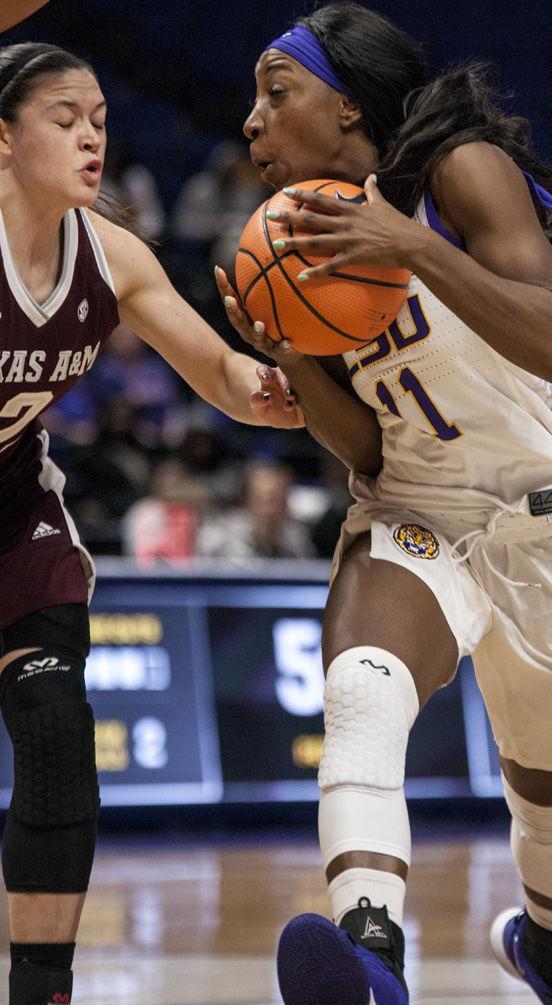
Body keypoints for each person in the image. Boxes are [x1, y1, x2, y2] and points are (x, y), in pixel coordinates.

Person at [218, 5, 552, 1004]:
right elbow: (365, 445)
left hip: (546, 522)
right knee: (362, 683)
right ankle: (370, 957)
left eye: (277, 95)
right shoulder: (295, 240)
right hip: (416, 507)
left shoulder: (462, 169)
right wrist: (291, 356)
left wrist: (406, 244)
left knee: (547, 794)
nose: (252, 122)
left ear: (348, 104)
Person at [0, 41, 302, 1005]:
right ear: (2, 136)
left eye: (99, 117)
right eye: (63, 117)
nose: (92, 136)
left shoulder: (112, 255)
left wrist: (273, 386)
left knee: (55, 734)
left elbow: (217, 374)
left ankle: (42, 988)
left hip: (13, 511)